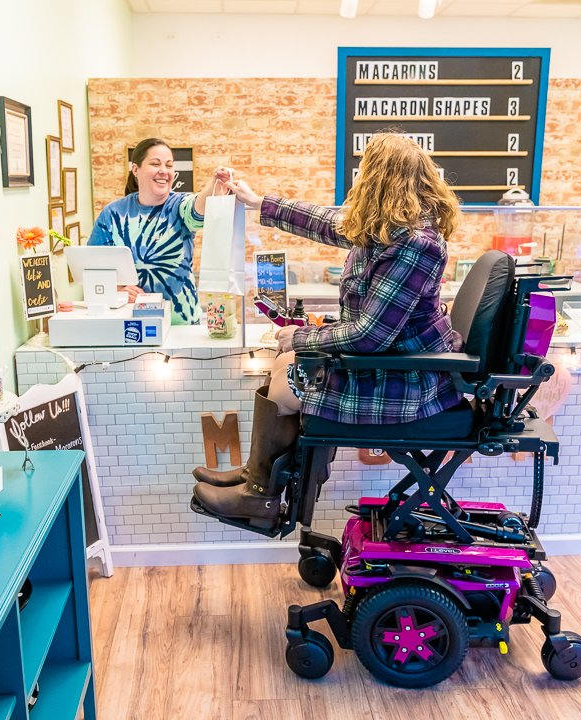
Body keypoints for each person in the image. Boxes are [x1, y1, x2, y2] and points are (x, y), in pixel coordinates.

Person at [192, 133, 463, 527]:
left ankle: (260, 497)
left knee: (288, 376)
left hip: (410, 380)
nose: (357, 180)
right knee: (285, 364)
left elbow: (369, 335)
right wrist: (258, 202)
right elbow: (327, 223)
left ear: (379, 178)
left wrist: (300, 336)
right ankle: (257, 482)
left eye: (363, 172)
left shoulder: (416, 245)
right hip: (394, 362)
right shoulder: (392, 229)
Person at [88, 138, 234, 325]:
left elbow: (196, 210)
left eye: (169, 165)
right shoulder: (112, 214)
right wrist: (117, 291)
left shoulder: (178, 205)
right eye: (155, 164)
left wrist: (215, 184)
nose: (163, 171)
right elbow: (93, 270)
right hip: (130, 326)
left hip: (181, 325)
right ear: (135, 170)